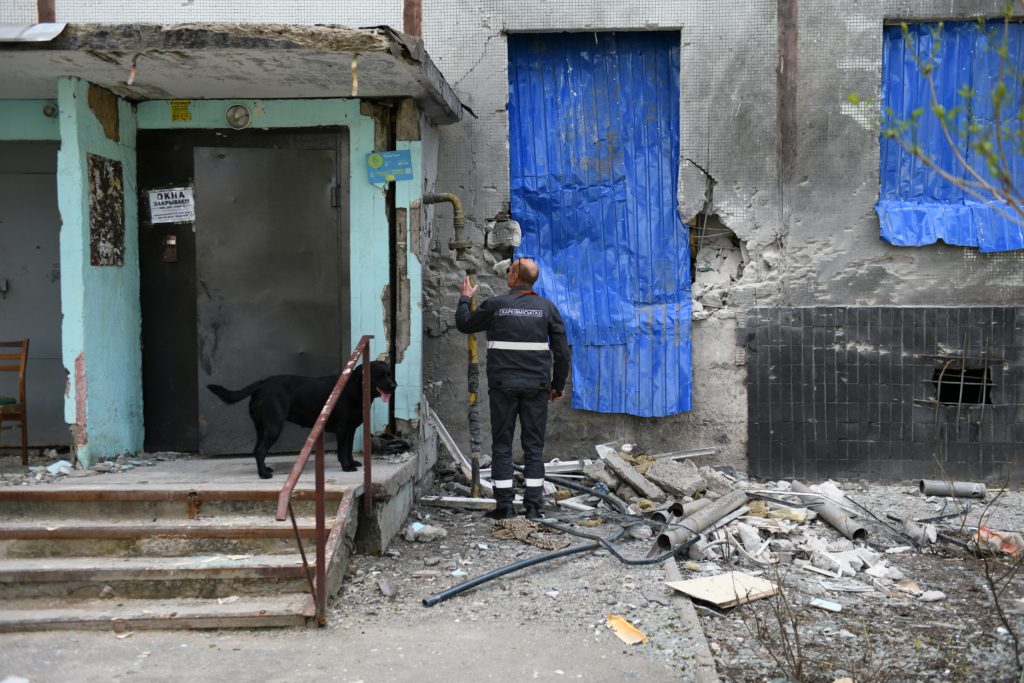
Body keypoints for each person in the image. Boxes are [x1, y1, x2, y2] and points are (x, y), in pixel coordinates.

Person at [455, 257, 570, 520]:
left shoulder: (496, 305)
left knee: (503, 443)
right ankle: (533, 507)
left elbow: (465, 324)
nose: (507, 273)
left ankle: (504, 507)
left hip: (502, 386)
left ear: (515, 278)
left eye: (509, 270)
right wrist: (557, 385)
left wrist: (464, 298)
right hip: (537, 387)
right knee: (533, 446)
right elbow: (562, 352)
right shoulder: (546, 308)